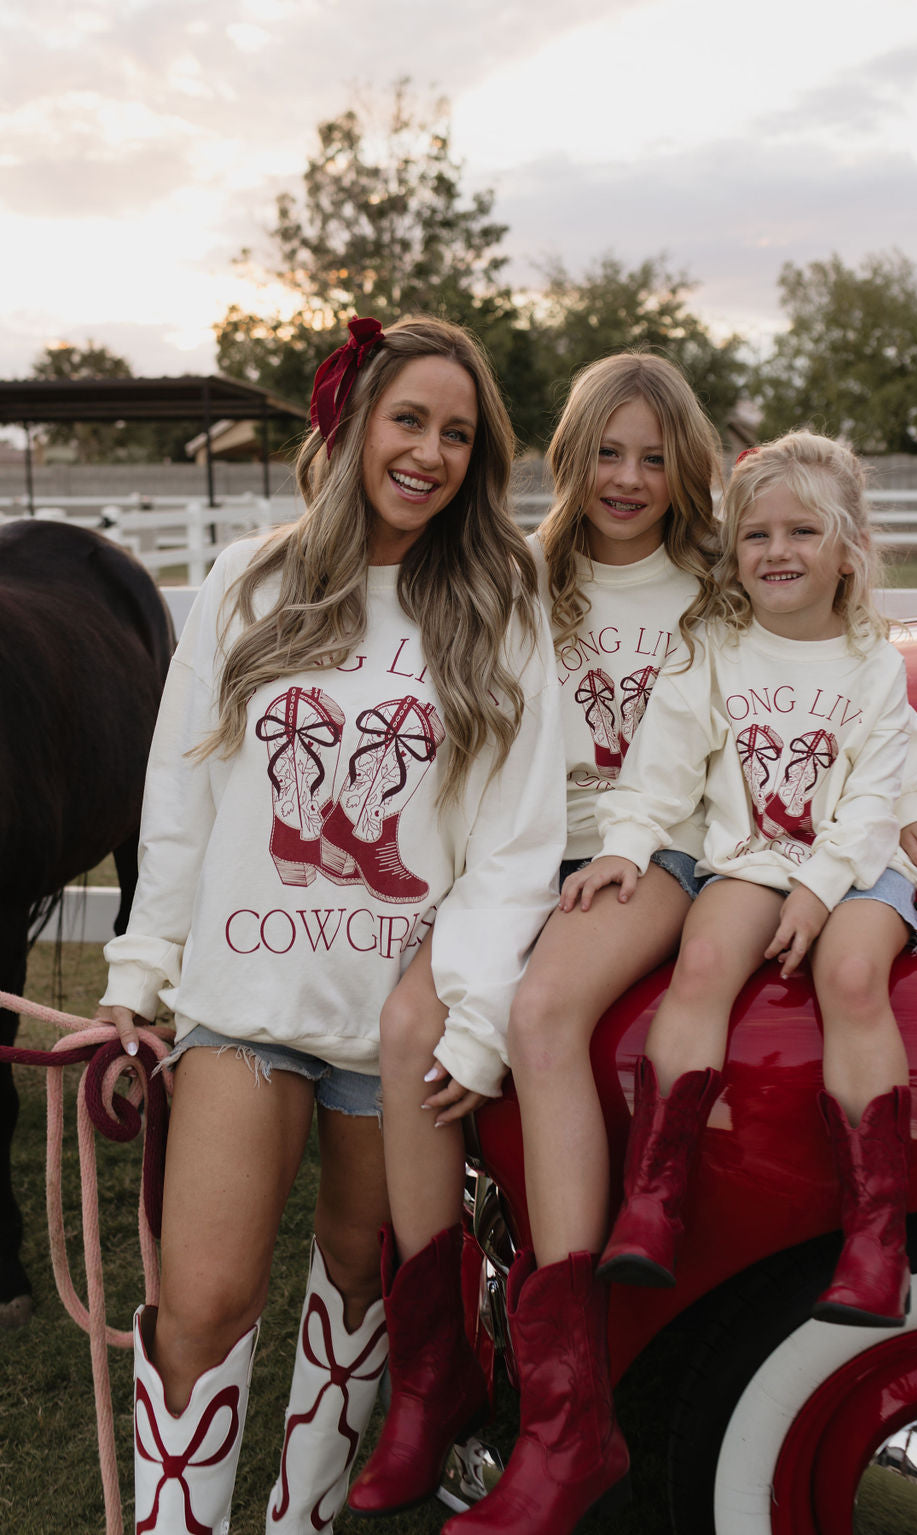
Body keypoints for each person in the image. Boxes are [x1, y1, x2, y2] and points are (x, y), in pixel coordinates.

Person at [349, 362, 917, 1534]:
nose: (626, 479)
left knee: (537, 1016)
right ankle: (434, 1375)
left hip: (664, 852)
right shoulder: (525, 580)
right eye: (604, 453)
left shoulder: (714, 589)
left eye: (652, 456)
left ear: (686, 470)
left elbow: (856, 692)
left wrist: (905, 811)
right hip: (524, 848)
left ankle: (569, 1413)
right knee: (404, 1026)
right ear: (567, 458)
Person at [96, 314, 565, 1535]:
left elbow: (516, 842)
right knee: (200, 1298)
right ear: (353, 423)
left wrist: (466, 1014)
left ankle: (299, 1521)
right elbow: (182, 802)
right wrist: (139, 974)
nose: (431, 452)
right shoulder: (250, 585)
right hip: (245, 1008)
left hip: (395, 1028)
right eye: (409, 419)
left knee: (361, 1292)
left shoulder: (498, 604)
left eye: (458, 433)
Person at [562, 430, 917, 1332]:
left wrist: (820, 893)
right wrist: (624, 845)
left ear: (848, 553)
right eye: (757, 535)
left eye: (803, 532)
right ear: (734, 555)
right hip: (752, 858)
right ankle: (654, 1197)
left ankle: (874, 1240)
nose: (779, 551)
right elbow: (658, 769)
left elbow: (869, 800)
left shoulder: (874, 663)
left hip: (860, 861)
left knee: (851, 975)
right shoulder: (714, 652)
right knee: (701, 960)